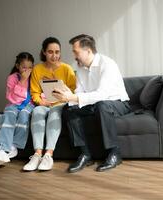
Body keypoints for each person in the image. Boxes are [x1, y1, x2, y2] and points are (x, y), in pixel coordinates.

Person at [53, 34, 131, 172]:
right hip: (95, 104)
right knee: (69, 109)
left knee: (102, 105)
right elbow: (80, 92)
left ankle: (114, 153)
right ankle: (85, 154)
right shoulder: (80, 68)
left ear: (88, 51)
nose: (74, 56)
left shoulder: (107, 64)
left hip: (117, 103)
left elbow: (102, 94)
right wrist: (68, 95)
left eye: (76, 52)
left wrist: (73, 97)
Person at [23, 37, 76, 171]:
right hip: (43, 103)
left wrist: (65, 94)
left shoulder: (67, 69)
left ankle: (48, 155)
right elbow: (34, 92)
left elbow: (75, 91)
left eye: (57, 52)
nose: (54, 56)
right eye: (51, 52)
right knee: (37, 112)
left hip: (60, 104)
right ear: (44, 52)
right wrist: (41, 102)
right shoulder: (37, 69)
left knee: (55, 112)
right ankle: (37, 154)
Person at [0, 52, 35, 166]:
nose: (27, 70)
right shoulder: (12, 78)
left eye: (30, 67)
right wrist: (22, 81)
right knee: (9, 114)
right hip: (13, 104)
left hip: (29, 105)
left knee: (24, 114)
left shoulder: (35, 78)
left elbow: (38, 95)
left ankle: (13, 146)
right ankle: (1, 149)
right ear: (17, 66)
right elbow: (12, 98)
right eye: (24, 67)